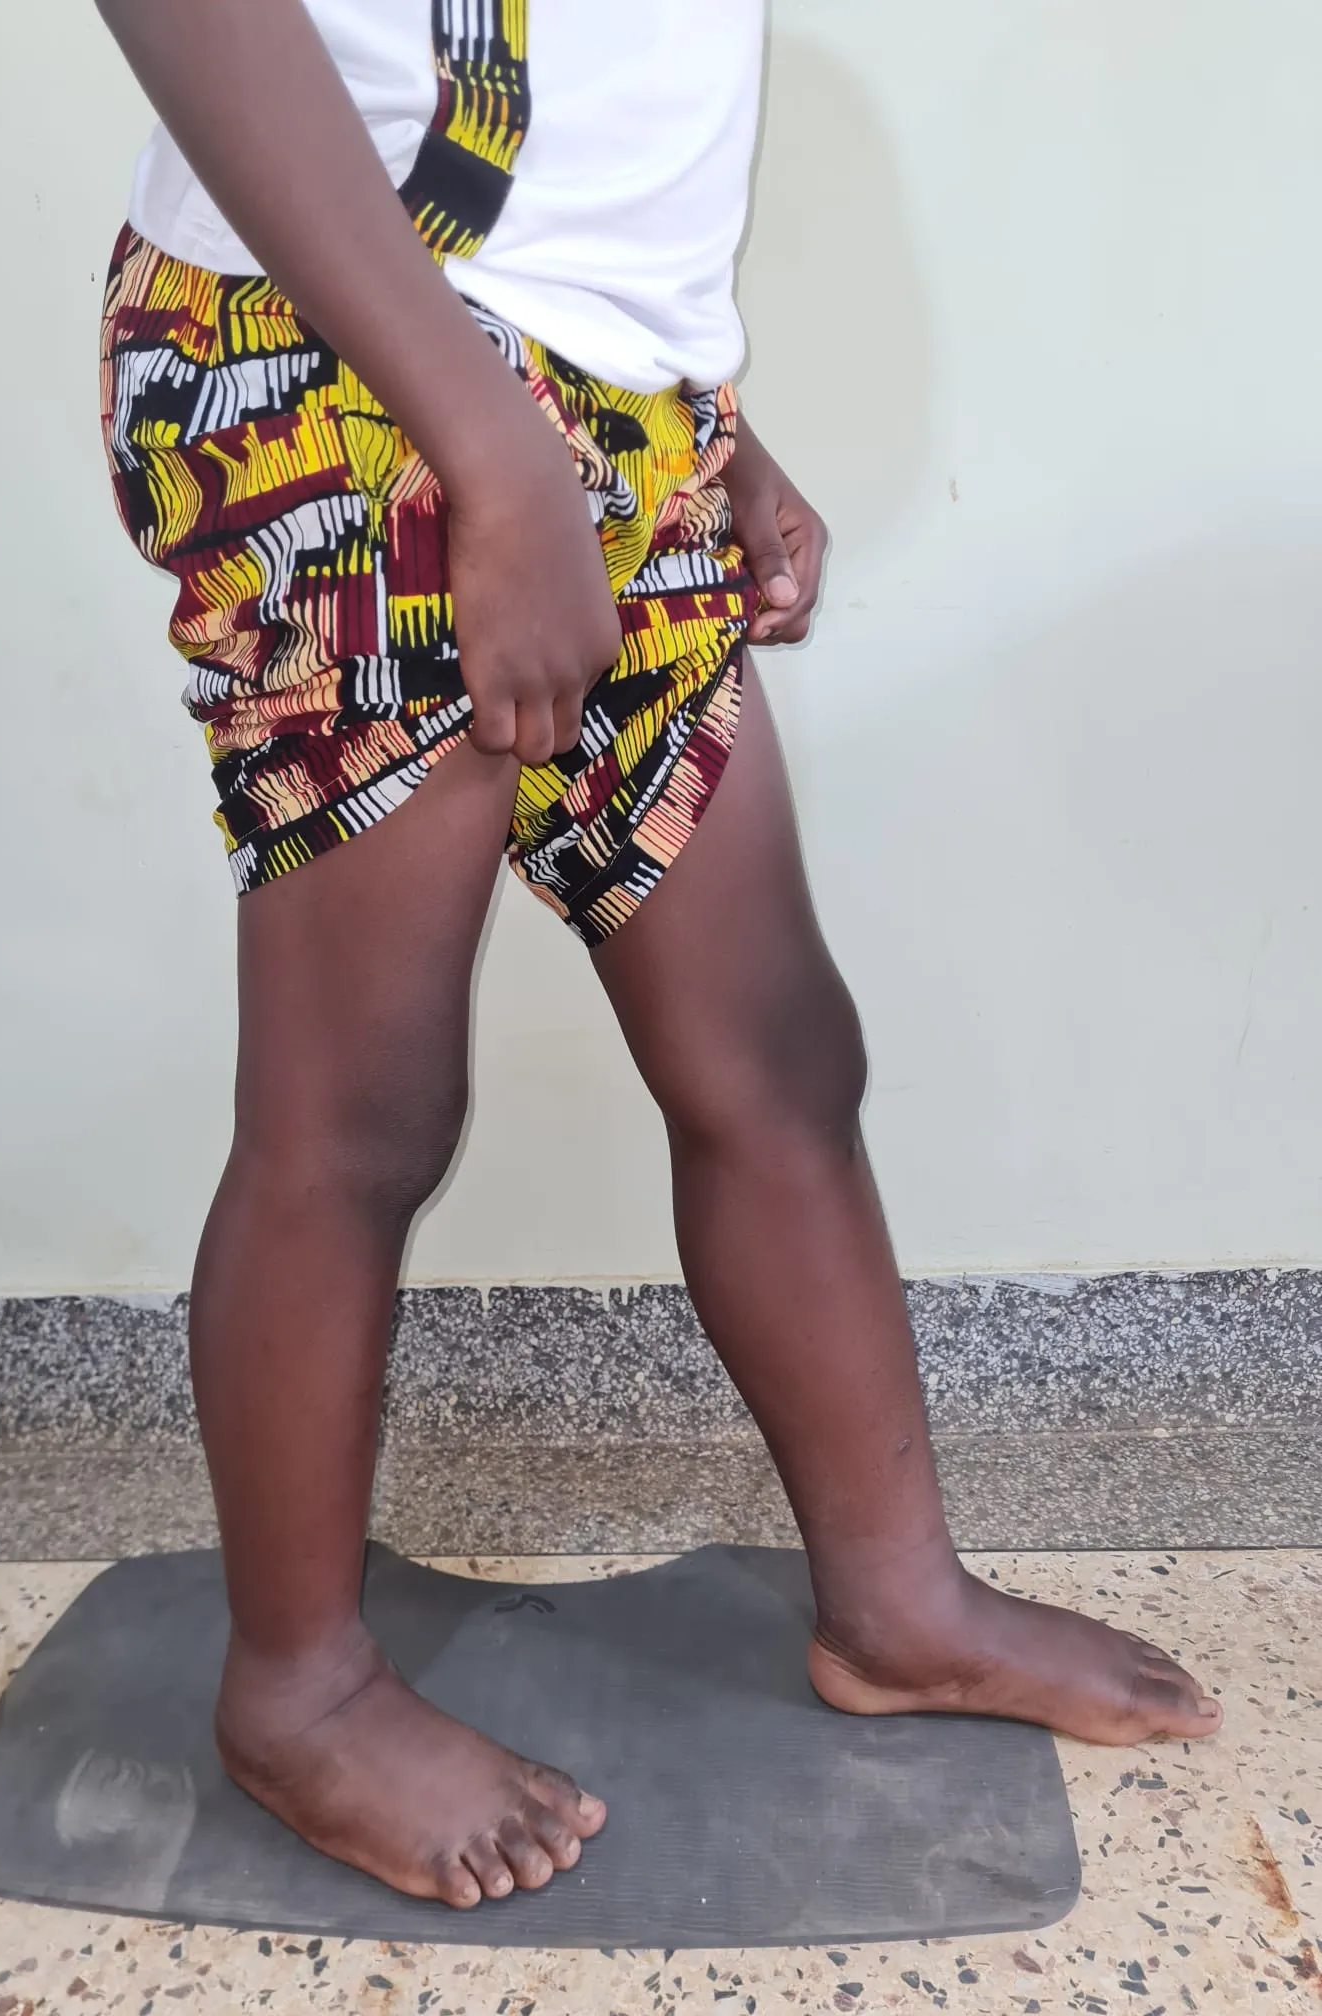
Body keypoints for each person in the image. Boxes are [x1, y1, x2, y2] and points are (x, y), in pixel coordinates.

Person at [93, 0, 1221, 1914]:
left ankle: (897, 1608)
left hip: (609, 416)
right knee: (362, 1111)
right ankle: (298, 1688)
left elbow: (600, 143)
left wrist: (708, 427)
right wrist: (492, 451)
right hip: (354, 375)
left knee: (773, 1050)